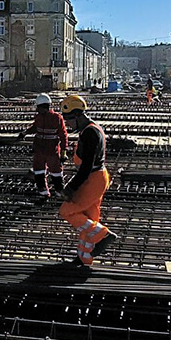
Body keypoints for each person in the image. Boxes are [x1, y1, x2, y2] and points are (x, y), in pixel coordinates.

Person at [58, 94, 118, 266]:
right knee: (89, 219)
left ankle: (104, 236)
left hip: (93, 179)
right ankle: (84, 257)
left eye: (69, 119)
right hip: (96, 177)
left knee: (67, 211)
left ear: (78, 115)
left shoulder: (90, 133)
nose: (67, 124)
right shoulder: (91, 129)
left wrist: (71, 187)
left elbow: (86, 166)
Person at [17, 94, 68, 199]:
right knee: (39, 171)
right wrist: (25, 133)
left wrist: (63, 152)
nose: (37, 110)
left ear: (44, 106)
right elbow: (35, 127)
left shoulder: (57, 118)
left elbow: (63, 136)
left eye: (38, 107)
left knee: (56, 172)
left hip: (51, 151)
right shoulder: (39, 117)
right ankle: (44, 193)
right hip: (39, 150)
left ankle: (59, 192)